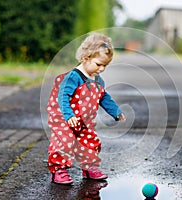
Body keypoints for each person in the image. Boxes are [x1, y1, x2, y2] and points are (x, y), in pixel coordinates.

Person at [46, 33, 126, 184]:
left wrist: (116, 111)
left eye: (105, 65)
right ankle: (59, 170)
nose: (101, 69)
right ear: (86, 57)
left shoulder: (98, 80)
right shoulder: (73, 77)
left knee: (90, 142)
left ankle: (89, 169)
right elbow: (63, 97)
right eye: (98, 64)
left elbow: (103, 97)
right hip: (66, 119)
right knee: (63, 143)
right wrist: (69, 116)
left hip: (85, 121)